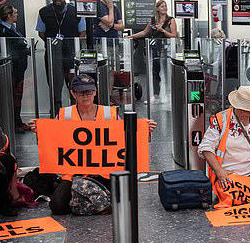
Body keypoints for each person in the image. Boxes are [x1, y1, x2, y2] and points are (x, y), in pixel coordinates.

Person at [29, 74, 157, 214]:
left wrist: (143, 130)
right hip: (74, 173)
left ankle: (85, 200)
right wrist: (40, 131)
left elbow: (124, 136)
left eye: (89, 91)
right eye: (81, 92)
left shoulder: (109, 114)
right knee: (57, 206)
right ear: (73, 93)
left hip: (105, 172)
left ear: (95, 92)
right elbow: (53, 139)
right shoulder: (65, 114)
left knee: (123, 202)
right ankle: (90, 200)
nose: (85, 96)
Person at [199, 86, 250, 189]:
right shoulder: (221, 120)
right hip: (228, 174)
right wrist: (219, 171)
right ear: (236, 106)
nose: (248, 114)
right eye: (244, 110)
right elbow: (206, 147)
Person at [36, 0, 86, 113]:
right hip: (53, 56)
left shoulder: (75, 11)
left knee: (74, 85)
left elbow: (82, 33)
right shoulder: (43, 12)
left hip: (71, 55)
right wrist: (55, 45)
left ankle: (76, 113)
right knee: (54, 87)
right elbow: (41, 33)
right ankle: (56, 114)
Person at [128, 0, 178, 100]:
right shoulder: (153, 20)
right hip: (153, 49)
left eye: (165, 6)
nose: (164, 8)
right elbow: (145, 32)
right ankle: (156, 94)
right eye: (162, 6)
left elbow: (174, 36)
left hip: (166, 50)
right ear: (157, 8)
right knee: (155, 71)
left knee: (166, 71)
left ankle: (168, 94)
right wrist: (130, 36)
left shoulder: (170, 20)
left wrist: (162, 30)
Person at [0, 5, 30, 132]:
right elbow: (3, 49)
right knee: (14, 96)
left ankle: (17, 122)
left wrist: (25, 50)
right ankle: (15, 124)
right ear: (9, 15)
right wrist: (22, 49)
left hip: (19, 69)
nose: (17, 14)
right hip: (12, 70)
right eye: (15, 12)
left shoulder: (11, 28)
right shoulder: (1, 30)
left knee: (17, 96)